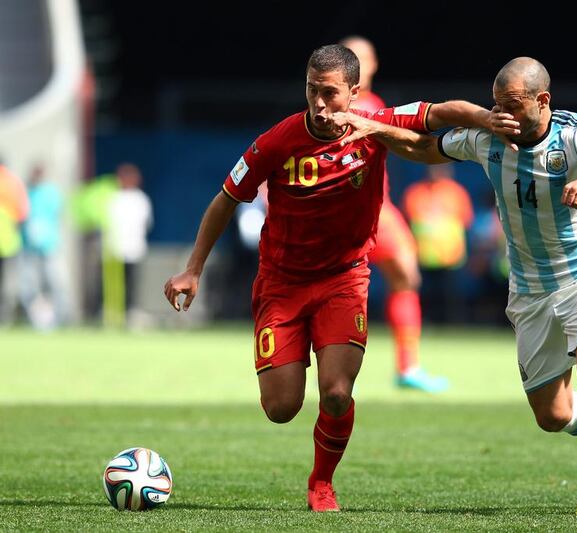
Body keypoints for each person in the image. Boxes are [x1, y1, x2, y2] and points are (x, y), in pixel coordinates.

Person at [163, 44, 498, 512]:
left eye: (330, 94)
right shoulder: (278, 140)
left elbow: (443, 111)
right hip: (281, 284)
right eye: (311, 91)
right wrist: (193, 268)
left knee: (338, 393)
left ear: (354, 93)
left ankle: (321, 482)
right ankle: (292, 355)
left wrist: (491, 119)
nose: (319, 105)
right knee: (281, 409)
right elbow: (225, 199)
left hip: (344, 279)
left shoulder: (374, 123)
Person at [330, 57, 577, 517]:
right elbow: (425, 148)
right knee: (553, 416)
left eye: (513, 106)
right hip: (529, 288)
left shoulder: (576, 134)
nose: (503, 115)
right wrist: (372, 129)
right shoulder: (488, 139)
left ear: (543, 101)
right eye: (497, 105)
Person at [340, 35, 448, 393]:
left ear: (372, 65)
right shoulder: (338, 106)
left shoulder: (373, 103)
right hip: (350, 211)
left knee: (404, 275)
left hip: (377, 209)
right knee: (344, 290)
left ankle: (408, 367)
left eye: (363, 57)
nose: (358, 63)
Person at [402, 163, 473, 323]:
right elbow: (408, 220)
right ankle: (426, 321)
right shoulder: (415, 192)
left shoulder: (456, 192)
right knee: (426, 293)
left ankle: (454, 324)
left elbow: (466, 220)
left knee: (451, 295)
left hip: (451, 256)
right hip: (424, 254)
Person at [20, 163, 70, 329]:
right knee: (30, 286)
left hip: (49, 247)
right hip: (29, 248)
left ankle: (61, 318)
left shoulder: (51, 193)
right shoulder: (26, 193)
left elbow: (57, 215)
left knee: (56, 283)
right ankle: (36, 319)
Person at [107, 163, 153, 323]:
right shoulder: (114, 198)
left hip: (134, 247)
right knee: (114, 284)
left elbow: (146, 223)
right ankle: (113, 313)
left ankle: (131, 312)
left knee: (132, 283)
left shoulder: (140, 199)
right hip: (115, 248)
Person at [0, 157, 29, 325]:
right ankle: (5, 318)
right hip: (9, 243)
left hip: (7, 242)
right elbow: (23, 213)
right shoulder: (14, 182)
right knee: (8, 284)